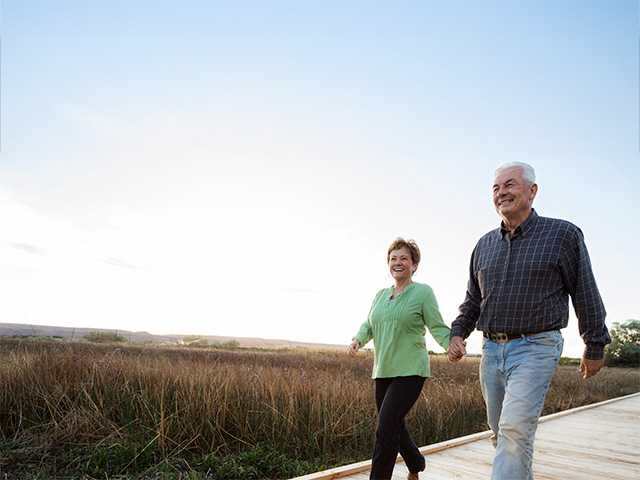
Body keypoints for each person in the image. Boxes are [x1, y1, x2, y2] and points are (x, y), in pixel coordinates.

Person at [448, 162, 611, 480]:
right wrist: (458, 333)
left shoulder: (562, 234)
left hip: (537, 346)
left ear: (532, 191)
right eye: (495, 188)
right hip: (491, 351)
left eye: (510, 185)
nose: (501, 193)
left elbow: (584, 289)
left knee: (513, 431)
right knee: (501, 433)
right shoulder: (484, 245)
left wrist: (595, 343)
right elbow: (473, 301)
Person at [349, 238, 451, 480]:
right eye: (393, 258)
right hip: (383, 369)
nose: (398, 262)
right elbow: (369, 324)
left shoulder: (423, 292)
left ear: (414, 265)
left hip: (411, 371)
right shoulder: (380, 295)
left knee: (385, 429)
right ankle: (416, 462)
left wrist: (451, 344)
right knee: (394, 424)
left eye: (404, 258)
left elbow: (436, 325)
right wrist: (358, 339)